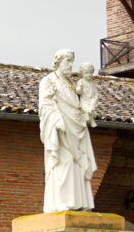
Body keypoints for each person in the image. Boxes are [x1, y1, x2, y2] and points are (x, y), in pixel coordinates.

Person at [38, 50, 97, 212]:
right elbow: (45, 104)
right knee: (63, 163)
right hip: (61, 129)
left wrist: (87, 110)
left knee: (77, 165)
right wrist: (56, 120)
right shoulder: (48, 81)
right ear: (58, 62)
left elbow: (81, 101)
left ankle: (80, 203)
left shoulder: (72, 84)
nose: (71, 65)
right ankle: (62, 201)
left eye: (72, 61)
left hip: (77, 127)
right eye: (68, 61)